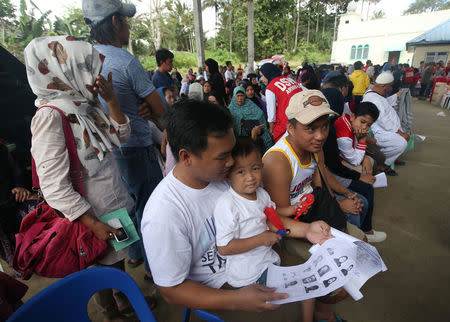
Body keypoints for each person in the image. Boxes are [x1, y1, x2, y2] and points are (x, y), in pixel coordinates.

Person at [141, 99, 333, 319]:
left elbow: (266, 214)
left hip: (258, 260)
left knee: (311, 280)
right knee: (289, 312)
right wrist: (236, 300)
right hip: (218, 288)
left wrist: (307, 229)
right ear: (186, 157)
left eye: (231, 152)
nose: (232, 162)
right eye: (222, 157)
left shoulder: (225, 177)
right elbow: (171, 290)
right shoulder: (164, 214)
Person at [25, 36, 146, 320]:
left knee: (116, 259)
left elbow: (121, 135)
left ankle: (121, 298)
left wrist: (111, 99)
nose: (93, 77)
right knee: (98, 266)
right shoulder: (50, 116)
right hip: (92, 215)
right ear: (59, 71)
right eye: (84, 68)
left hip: (113, 204)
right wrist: (91, 223)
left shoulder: (82, 104)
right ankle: (109, 312)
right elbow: (53, 185)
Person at [83, 0, 166, 281]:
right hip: (134, 148)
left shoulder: (81, 60)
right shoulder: (125, 60)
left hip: (102, 152)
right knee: (148, 209)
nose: (129, 26)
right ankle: (154, 271)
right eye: (126, 20)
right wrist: (147, 107)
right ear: (116, 22)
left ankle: (133, 255)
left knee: (120, 208)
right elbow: (161, 109)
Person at [214, 137, 315, 322]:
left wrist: (294, 209)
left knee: (308, 285)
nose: (250, 177)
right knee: (302, 289)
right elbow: (224, 247)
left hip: (268, 260)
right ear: (228, 175)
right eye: (240, 172)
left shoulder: (261, 193)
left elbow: (273, 212)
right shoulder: (227, 205)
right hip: (248, 274)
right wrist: (261, 239)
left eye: (255, 168)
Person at [362, 72, 409, 176]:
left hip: (388, 128)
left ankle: (393, 157)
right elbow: (384, 120)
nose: (390, 88)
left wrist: (396, 96)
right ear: (383, 86)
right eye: (390, 86)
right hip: (381, 131)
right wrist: (399, 132)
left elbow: (385, 102)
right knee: (401, 143)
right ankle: (382, 163)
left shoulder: (375, 93)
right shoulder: (373, 98)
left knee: (404, 137)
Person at [260, 63, 303, 141]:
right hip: (303, 116)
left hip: (287, 123)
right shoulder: (289, 79)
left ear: (268, 73)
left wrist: (271, 130)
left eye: (262, 76)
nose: (261, 79)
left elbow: (271, 114)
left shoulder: (270, 88)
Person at [334, 102, 379, 171]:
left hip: (349, 155)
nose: (364, 127)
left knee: (373, 158)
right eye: (362, 122)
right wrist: (362, 140)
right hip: (337, 161)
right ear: (352, 117)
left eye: (369, 125)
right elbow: (355, 161)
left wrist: (364, 157)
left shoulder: (349, 120)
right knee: (365, 170)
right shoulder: (345, 136)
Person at [228, 87, 273, 153]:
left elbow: (260, 115)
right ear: (234, 96)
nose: (240, 98)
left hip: (254, 137)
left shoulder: (250, 104)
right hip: (239, 140)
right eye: (238, 96)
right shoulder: (231, 108)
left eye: (242, 96)